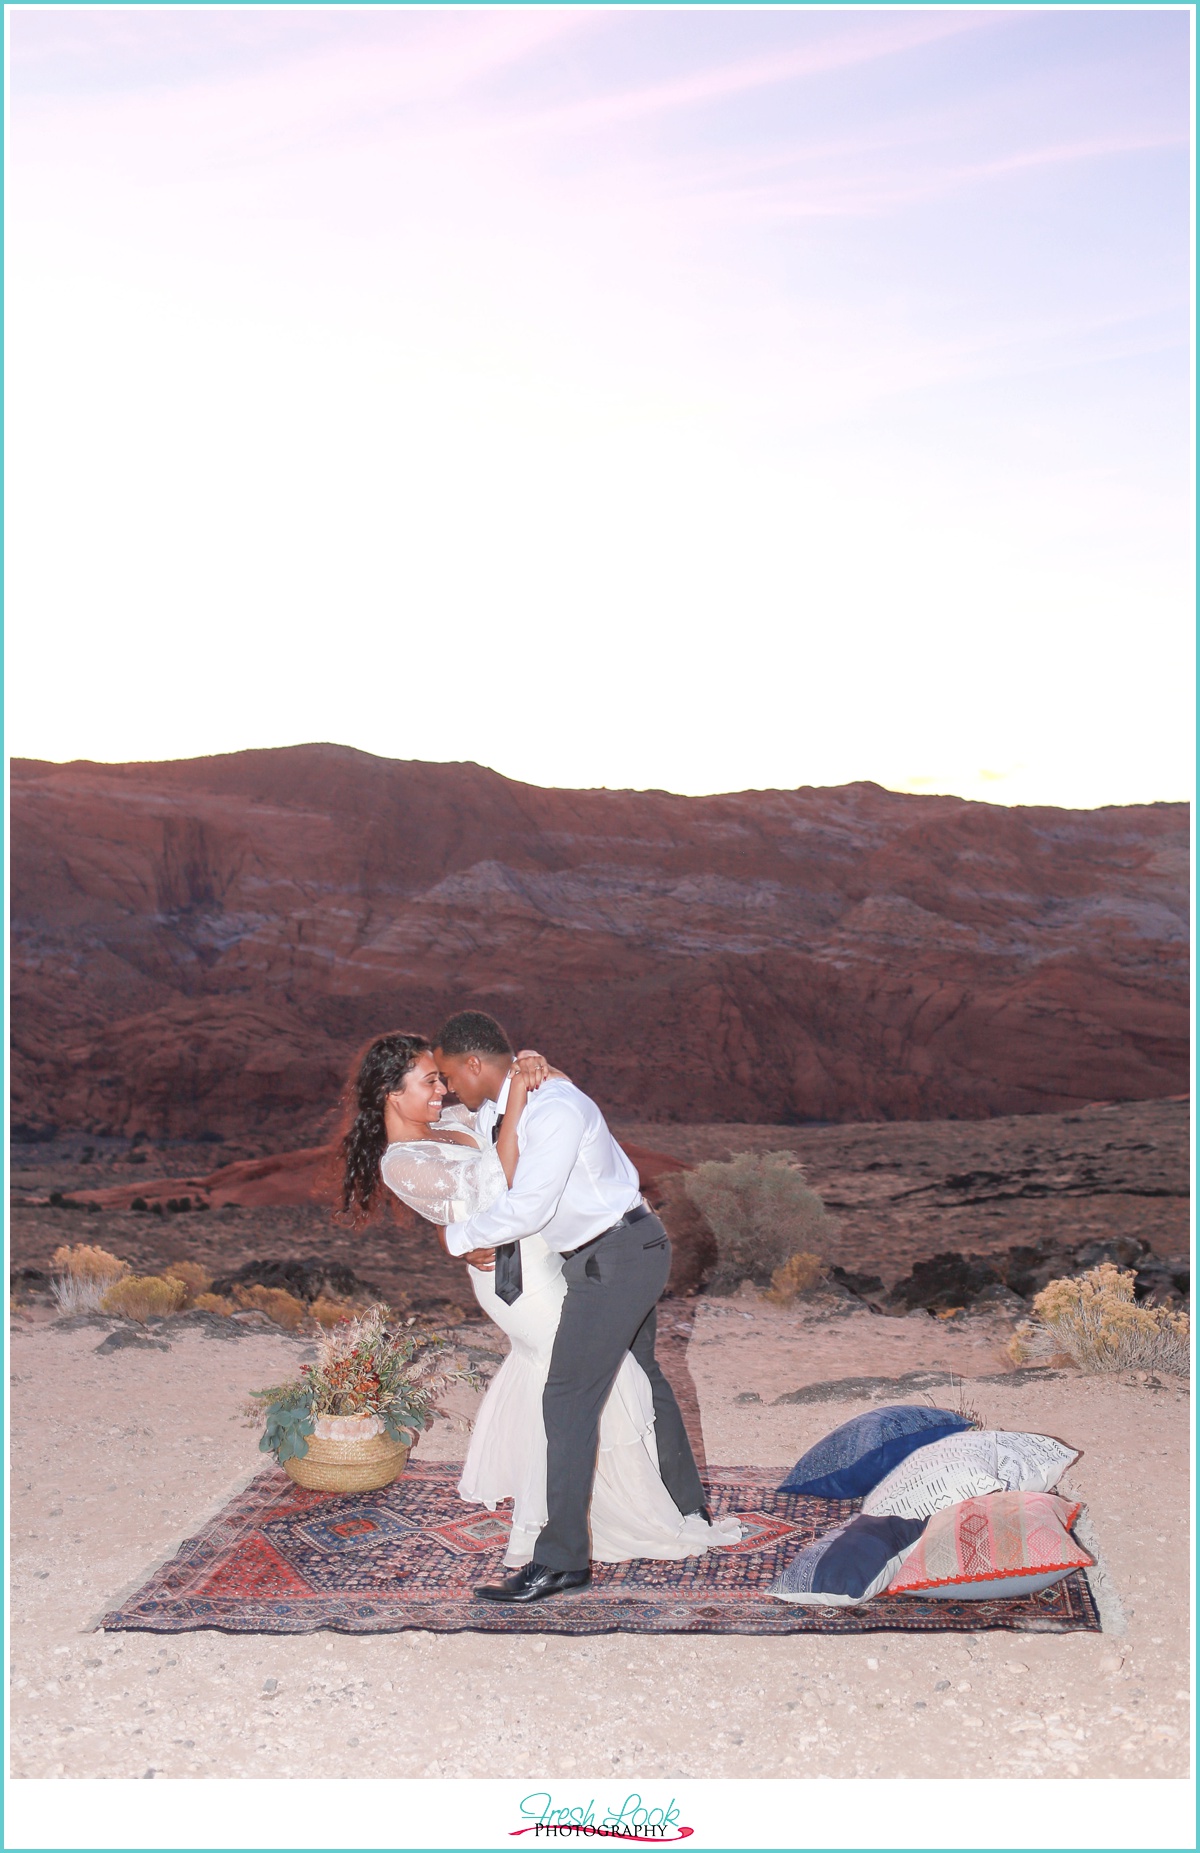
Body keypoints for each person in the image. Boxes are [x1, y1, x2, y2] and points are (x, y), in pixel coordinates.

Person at [338, 1026, 737, 1592]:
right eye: (429, 1081)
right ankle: (591, 1533)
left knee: (617, 1377)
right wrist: (458, 1231)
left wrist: (530, 1069)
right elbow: (502, 1181)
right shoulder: (402, 1160)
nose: (442, 1091)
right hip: (517, 1281)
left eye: (443, 1078)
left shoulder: (454, 1124)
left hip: (553, 1259)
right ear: (389, 1094)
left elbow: (511, 1123)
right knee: (587, 1385)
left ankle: (645, 1516)